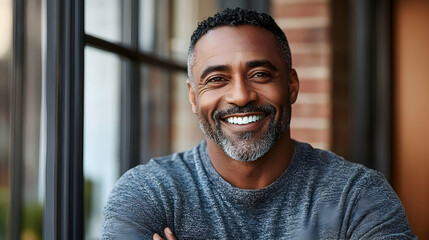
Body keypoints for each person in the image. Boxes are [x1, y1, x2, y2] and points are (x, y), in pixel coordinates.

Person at [101, 8, 416, 239]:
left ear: (291, 85)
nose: (240, 95)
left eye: (260, 75)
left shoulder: (357, 196)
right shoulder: (147, 194)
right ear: (193, 97)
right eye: (217, 79)